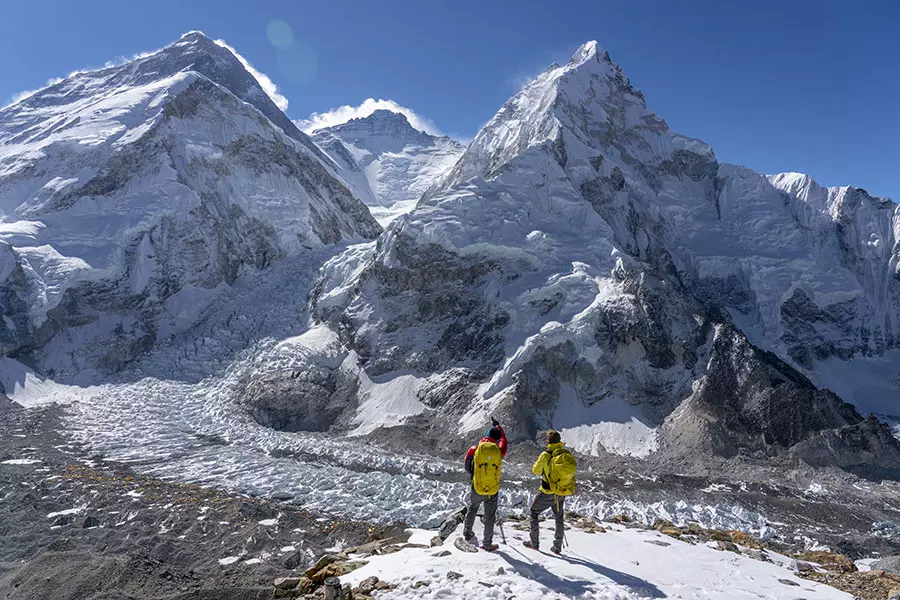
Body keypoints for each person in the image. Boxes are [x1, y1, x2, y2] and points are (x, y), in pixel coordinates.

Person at [524, 430, 577, 554]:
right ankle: (557, 546)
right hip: (561, 491)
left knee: (534, 512)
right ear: (559, 441)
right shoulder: (565, 453)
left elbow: (536, 471)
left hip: (547, 491)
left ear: (548, 441)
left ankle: (534, 543)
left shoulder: (545, 455)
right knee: (559, 517)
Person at [461, 418, 508, 551]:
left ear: (486, 436)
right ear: (497, 439)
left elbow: (467, 466)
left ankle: (467, 533)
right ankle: (487, 544)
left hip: (477, 486)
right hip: (492, 490)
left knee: (473, 508)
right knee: (490, 516)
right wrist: (499, 426)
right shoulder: (499, 451)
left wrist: (474, 476)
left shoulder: (475, 449)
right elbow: (504, 440)